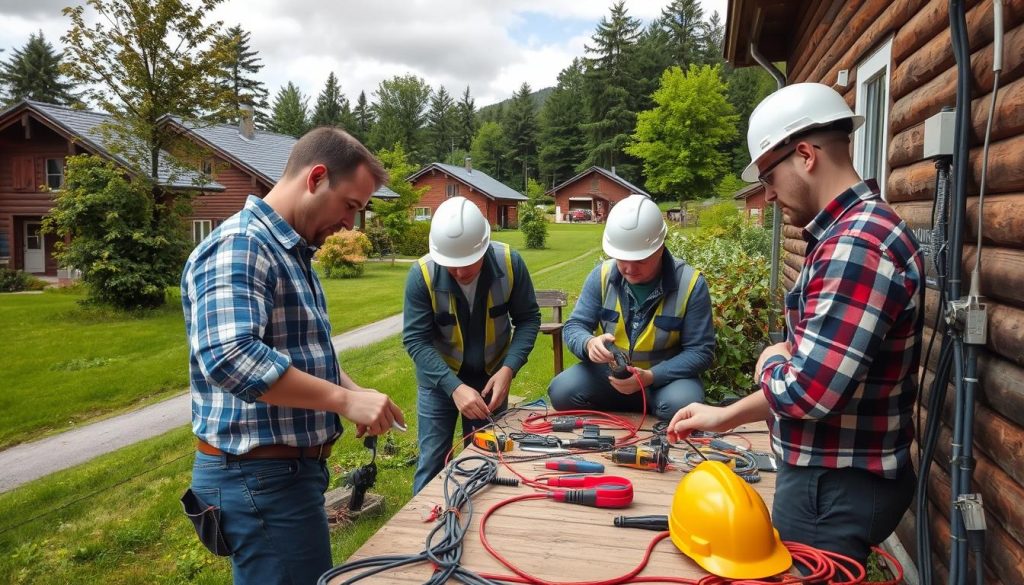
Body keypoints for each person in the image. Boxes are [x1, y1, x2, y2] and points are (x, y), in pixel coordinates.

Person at [667, 83, 923, 568]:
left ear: (805, 154)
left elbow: (809, 391)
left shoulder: (856, 247)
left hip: (832, 486)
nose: (767, 194)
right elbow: (815, 366)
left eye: (768, 176)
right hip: (831, 478)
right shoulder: (851, 234)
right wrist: (724, 416)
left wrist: (771, 361)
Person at [181, 127, 405, 585]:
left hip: (280, 475)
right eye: (351, 206)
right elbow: (230, 356)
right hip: (259, 476)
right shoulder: (241, 244)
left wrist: (352, 389)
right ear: (317, 177)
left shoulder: (289, 251)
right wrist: (343, 404)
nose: (350, 224)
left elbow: (297, 351)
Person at [403, 196, 540, 494]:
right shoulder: (422, 275)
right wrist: (453, 387)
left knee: (486, 458)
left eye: (467, 263)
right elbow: (415, 340)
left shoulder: (509, 263)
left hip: (491, 378)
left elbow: (529, 319)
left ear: (484, 247)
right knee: (432, 461)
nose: (461, 272)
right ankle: (424, 528)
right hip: (439, 381)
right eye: (451, 266)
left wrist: (509, 370)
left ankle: (473, 525)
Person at [548, 194, 715, 420]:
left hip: (663, 381)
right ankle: (634, 411)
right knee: (561, 392)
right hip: (610, 375)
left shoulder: (691, 284)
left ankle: (646, 405)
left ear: (660, 246)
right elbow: (574, 326)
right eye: (621, 258)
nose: (628, 269)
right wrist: (588, 344)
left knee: (681, 405)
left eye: (640, 260)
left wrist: (652, 376)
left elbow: (700, 352)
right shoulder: (602, 276)